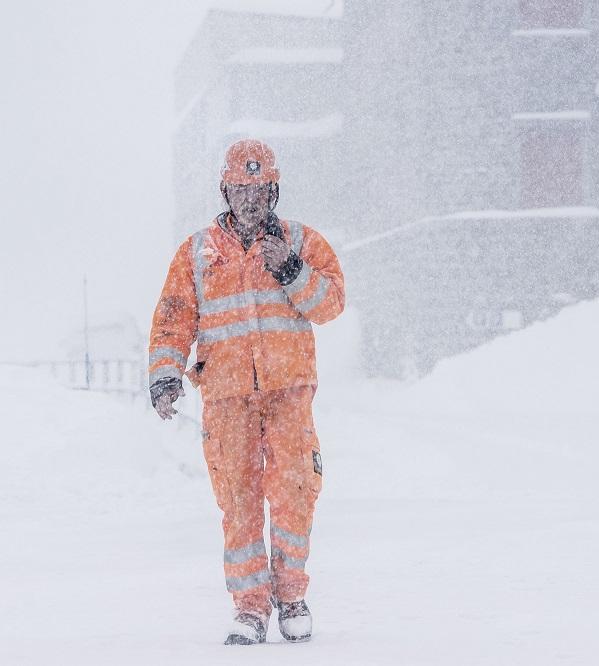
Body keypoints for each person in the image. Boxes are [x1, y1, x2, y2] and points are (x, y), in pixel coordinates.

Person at [148, 139, 345, 644]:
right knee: (238, 500)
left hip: (288, 394)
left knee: (295, 492)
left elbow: (331, 304)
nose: (250, 200)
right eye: (241, 189)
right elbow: (173, 318)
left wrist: (292, 271)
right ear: (225, 190)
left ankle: (292, 596)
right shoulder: (197, 253)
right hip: (227, 396)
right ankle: (251, 608)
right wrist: (166, 374)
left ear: (274, 190)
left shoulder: (303, 243)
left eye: (260, 190)